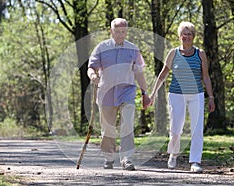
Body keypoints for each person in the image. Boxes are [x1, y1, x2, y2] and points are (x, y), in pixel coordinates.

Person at [149, 21, 215, 172]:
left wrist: (210, 97)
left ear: (193, 36)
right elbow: (163, 74)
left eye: (189, 34)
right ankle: (173, 153)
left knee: (197, 128)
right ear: (179, 36)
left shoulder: (200, 54)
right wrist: (153, 93)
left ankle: (195, 161)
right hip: (176, 94)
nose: (187, 37)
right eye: (184, 34)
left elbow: (206, 77)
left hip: (196, 94)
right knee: (176, 128)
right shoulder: (173, 53)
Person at [87, 18, 151, 170]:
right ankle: (109, 157)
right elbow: (91, 67)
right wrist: (93, 76)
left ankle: (126, 158)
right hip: (106, 93)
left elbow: (139, 73)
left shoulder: (133, 49)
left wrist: (144, 93)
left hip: (127, 92)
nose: (121, 35)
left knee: (127, 124)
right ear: (111, 31)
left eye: (123, 32)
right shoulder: (101, 48)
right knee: (108, 128)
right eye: (118, 32)